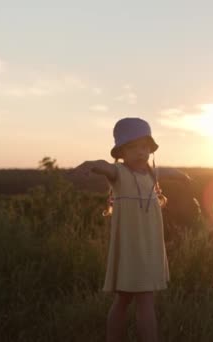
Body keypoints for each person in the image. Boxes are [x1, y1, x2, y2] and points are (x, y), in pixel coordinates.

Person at [72, 117, 168, 342]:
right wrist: (91, 164)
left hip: (149, 248)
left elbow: (170, 171)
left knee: (132, 298)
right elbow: (104, 166)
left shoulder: (152, 175)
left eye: (144, 147)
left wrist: (183, 177)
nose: (140, 152)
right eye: (133, 147)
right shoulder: (119, 173)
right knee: (136, 299)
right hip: (130, 249)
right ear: (121, 152)